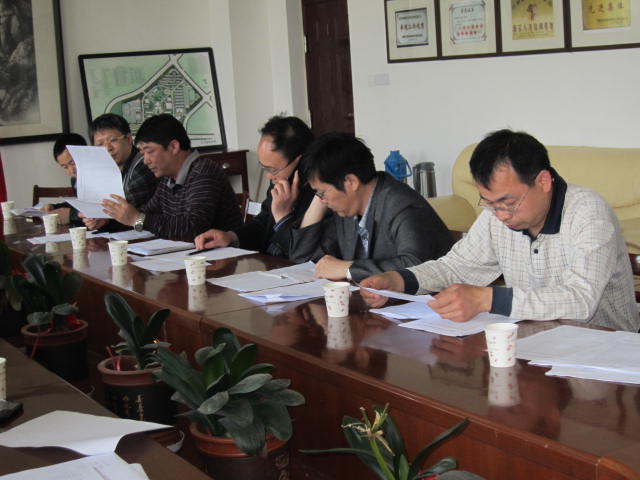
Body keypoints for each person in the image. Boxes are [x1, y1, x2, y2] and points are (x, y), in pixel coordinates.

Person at [361, 129, 639, 332]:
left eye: (509, 203)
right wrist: (400, 280)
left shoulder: (588, 212)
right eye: (490, 203)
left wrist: (487, 298)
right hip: (532, 340)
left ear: (543, 181)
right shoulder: (496, 215)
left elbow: (581, 300)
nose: (501, 215)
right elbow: (456, 267)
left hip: (605, 350)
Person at [289, 132, 453, 282]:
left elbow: (416, 265)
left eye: (322, 193)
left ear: (351, 182)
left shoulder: (401, 205)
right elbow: (305, 258)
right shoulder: (348, 206)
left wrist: (348, 269)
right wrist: (322, 194)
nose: (322, 200)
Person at [101, 113, 242, 241]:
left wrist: (138, 219)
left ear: (174, 147)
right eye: (143, 154)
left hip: (224, 257)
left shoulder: (203, 173)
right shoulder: (168, 179)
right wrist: (109, 220)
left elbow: (193, 227)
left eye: (150, 152)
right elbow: (143, 215)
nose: (145, 161)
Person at [194, 115, 315, 256]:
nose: (269, 176)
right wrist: (231, 237)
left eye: (273, 170)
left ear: (301, 161)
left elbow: (302, 253)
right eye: (265, 168)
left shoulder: (320, 193)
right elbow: (263, 224)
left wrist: (283, 218)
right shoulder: (280, 181)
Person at [82, 113, 159, 231]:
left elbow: (121, 209)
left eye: (113, 140)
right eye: (100, 144)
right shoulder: (108, 169)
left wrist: (103, 218)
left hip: (149, 232)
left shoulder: (144, 164)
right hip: (138, 230)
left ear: (128, 139)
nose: (108, 148)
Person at [40, 133, 87, 226]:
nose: (71, 171)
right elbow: (83, 204)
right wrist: (55, 207)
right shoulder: (75, 180)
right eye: (65, 167)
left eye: (73, 163)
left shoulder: (102, 175)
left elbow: (100, 209)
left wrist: (71, 215)